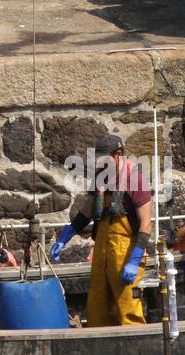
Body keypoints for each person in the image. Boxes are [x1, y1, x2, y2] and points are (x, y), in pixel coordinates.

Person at [50, 134, 153, 327]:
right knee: (97, 304)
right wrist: (66, 236)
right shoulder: (100, 179)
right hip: (102, 251)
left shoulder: (135, 180)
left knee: (127, 305)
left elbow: (146, 223)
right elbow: (89, 210)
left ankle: (134, 344)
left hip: (125, 253)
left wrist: (135, 259)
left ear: (118, 155)